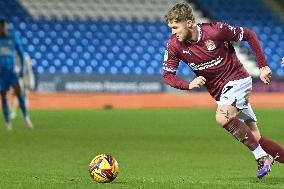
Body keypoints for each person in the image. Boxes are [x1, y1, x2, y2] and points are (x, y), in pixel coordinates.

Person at [162, 3, 284, 179]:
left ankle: (261, 157)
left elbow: (249, 34)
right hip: (220, 93)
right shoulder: (174, 45)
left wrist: (263, 66)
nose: (173, 32)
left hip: (238, 79)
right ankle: (265, 152)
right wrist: (187, 85)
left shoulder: (215, 31)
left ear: (189, 22)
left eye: (175, 27)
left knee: (222, 117)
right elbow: (167, 75)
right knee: (255, 138)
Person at [0, 19, 33, 130]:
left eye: (4, 27)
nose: (2, 29)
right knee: (3, 96)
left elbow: (21, 53)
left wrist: (22, 70)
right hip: (1, 74)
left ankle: (26, 117)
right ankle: (8, 123)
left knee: (20, 94)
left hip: (12, 72)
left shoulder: (13, 37)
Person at [10, 52, 35, 119]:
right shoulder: (12, 55)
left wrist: (31, 81)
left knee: (24, 96)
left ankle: (25, 113)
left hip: (24, 79)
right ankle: (14, 112)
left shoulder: (25, 56)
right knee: (14, 95)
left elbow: (29, 71)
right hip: (16, 78)